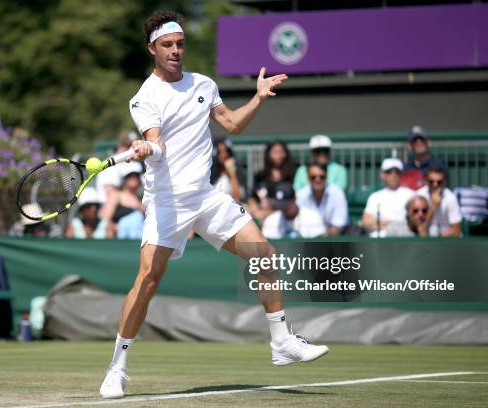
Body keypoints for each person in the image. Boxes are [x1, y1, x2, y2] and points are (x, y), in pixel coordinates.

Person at [99, 10, 328, 399]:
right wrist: (146, 146)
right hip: (168, 202)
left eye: (180, 44)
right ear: (152, 48)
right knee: (148, 281)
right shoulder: (144, 99)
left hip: (205, 195)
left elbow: (232, 125)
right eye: (167, 45)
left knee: (264, 255)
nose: (176, 51)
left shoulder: (203, 84)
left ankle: (281, 342)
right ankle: (117, 368)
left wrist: (257, 97)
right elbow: (158, 143)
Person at [362, 158, 415, 237]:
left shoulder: (411, 195)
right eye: (389, 172)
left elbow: (414, 222)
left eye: (397, 172)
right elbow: (366, 222)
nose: (393, 175)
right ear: (382, 174)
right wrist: (393, 223)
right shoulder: (375, 196)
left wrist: (381, 222)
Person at [293, 163, 348, 238]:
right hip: (306, 238)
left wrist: (321, 238)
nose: (317, 180)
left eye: (322, 177)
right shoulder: (301, 194)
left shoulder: (337, 193)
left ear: (327, 177)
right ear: (308, 178)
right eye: (313, 177)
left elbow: (338, 225)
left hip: (334, 239)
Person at [248, 141, 297, 222]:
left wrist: (271, 206)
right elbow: (252, 198)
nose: (278, 155)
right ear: (268, 154)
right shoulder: (260, 176)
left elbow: (292, 203)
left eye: (281, 152)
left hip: (285, 218)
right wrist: (256, 211)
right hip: (261, 216)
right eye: (275, 152)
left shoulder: (292, 176)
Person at [100, 161, 145, 239]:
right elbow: (104, 221)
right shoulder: (115, 195)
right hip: (121, 242)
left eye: (136, 175)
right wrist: (119, 227)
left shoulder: (143, 199)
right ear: (123, 179)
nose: (133, 178)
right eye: (130, 176)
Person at [95, 130, 142, 203]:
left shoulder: (134, 164)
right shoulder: (110, 164)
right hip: (109, 207)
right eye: (128, 145)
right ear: (120, 146)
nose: (133, 150)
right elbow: (111, 194)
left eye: (134, 147)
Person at [417, 166, 462, 237]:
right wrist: (433, 207)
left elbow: (456, 231)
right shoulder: (420, 195)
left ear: (444, 182)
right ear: (426, 180)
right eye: (431, 181)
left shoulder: (450, 198)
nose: (435, 185)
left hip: (446, 239)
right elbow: (421, 227)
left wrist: (438, 238)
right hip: (425, 236)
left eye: (439, 182)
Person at [401, 126, 447, 190]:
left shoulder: (438, 165)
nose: (419, 143)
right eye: (415, 141)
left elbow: (442, 188)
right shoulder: (405, 168)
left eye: (422, 140)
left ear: (428, 143)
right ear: (409, 146)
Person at [210, 137, 244, 202]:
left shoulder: (236, 169)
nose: (224, 155)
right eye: (220, 152)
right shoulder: (210, 172)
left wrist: (232, 173)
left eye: (226, 151)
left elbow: (238, 198)